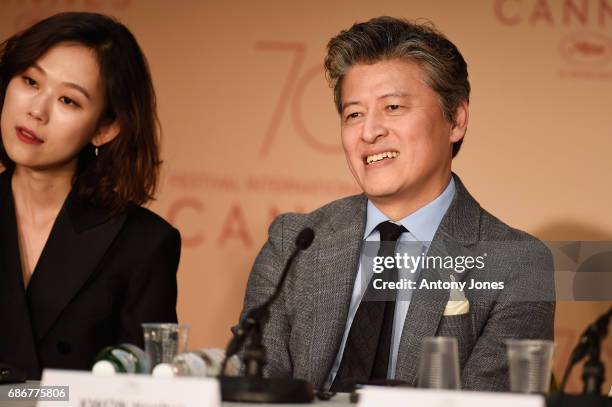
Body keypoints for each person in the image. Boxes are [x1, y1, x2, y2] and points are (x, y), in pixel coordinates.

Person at [237, 16, 554, 392]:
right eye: (354, 114)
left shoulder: (517, 264)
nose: (369, 132)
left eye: (393, 108)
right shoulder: (294, 243)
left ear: (456, 120)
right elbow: (253, 386)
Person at [0, 12, 180, 379]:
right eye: (30, 81)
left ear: (105, 128)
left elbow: (147, 392)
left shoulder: (144, 244)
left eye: (68, 100)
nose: (37, 110)